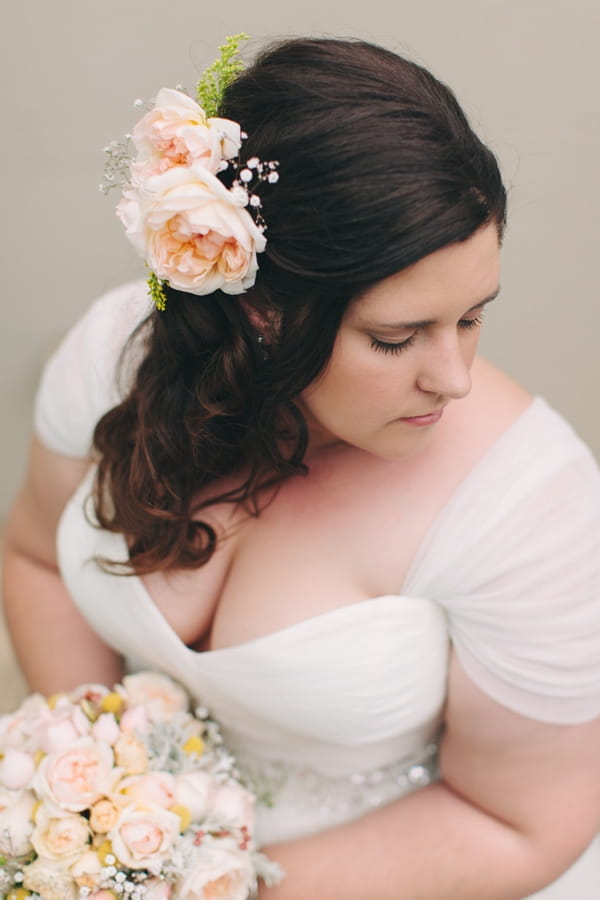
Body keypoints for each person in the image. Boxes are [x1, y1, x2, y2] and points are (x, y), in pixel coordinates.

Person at [2, 36, 600, 900]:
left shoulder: (532, 506)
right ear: (262, 310)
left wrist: (210, 887)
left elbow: (521, 823)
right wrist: (104, 796)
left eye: (472, 318)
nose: (453, 377)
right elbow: (32, 560)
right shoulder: (115, 356)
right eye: (396, 339)